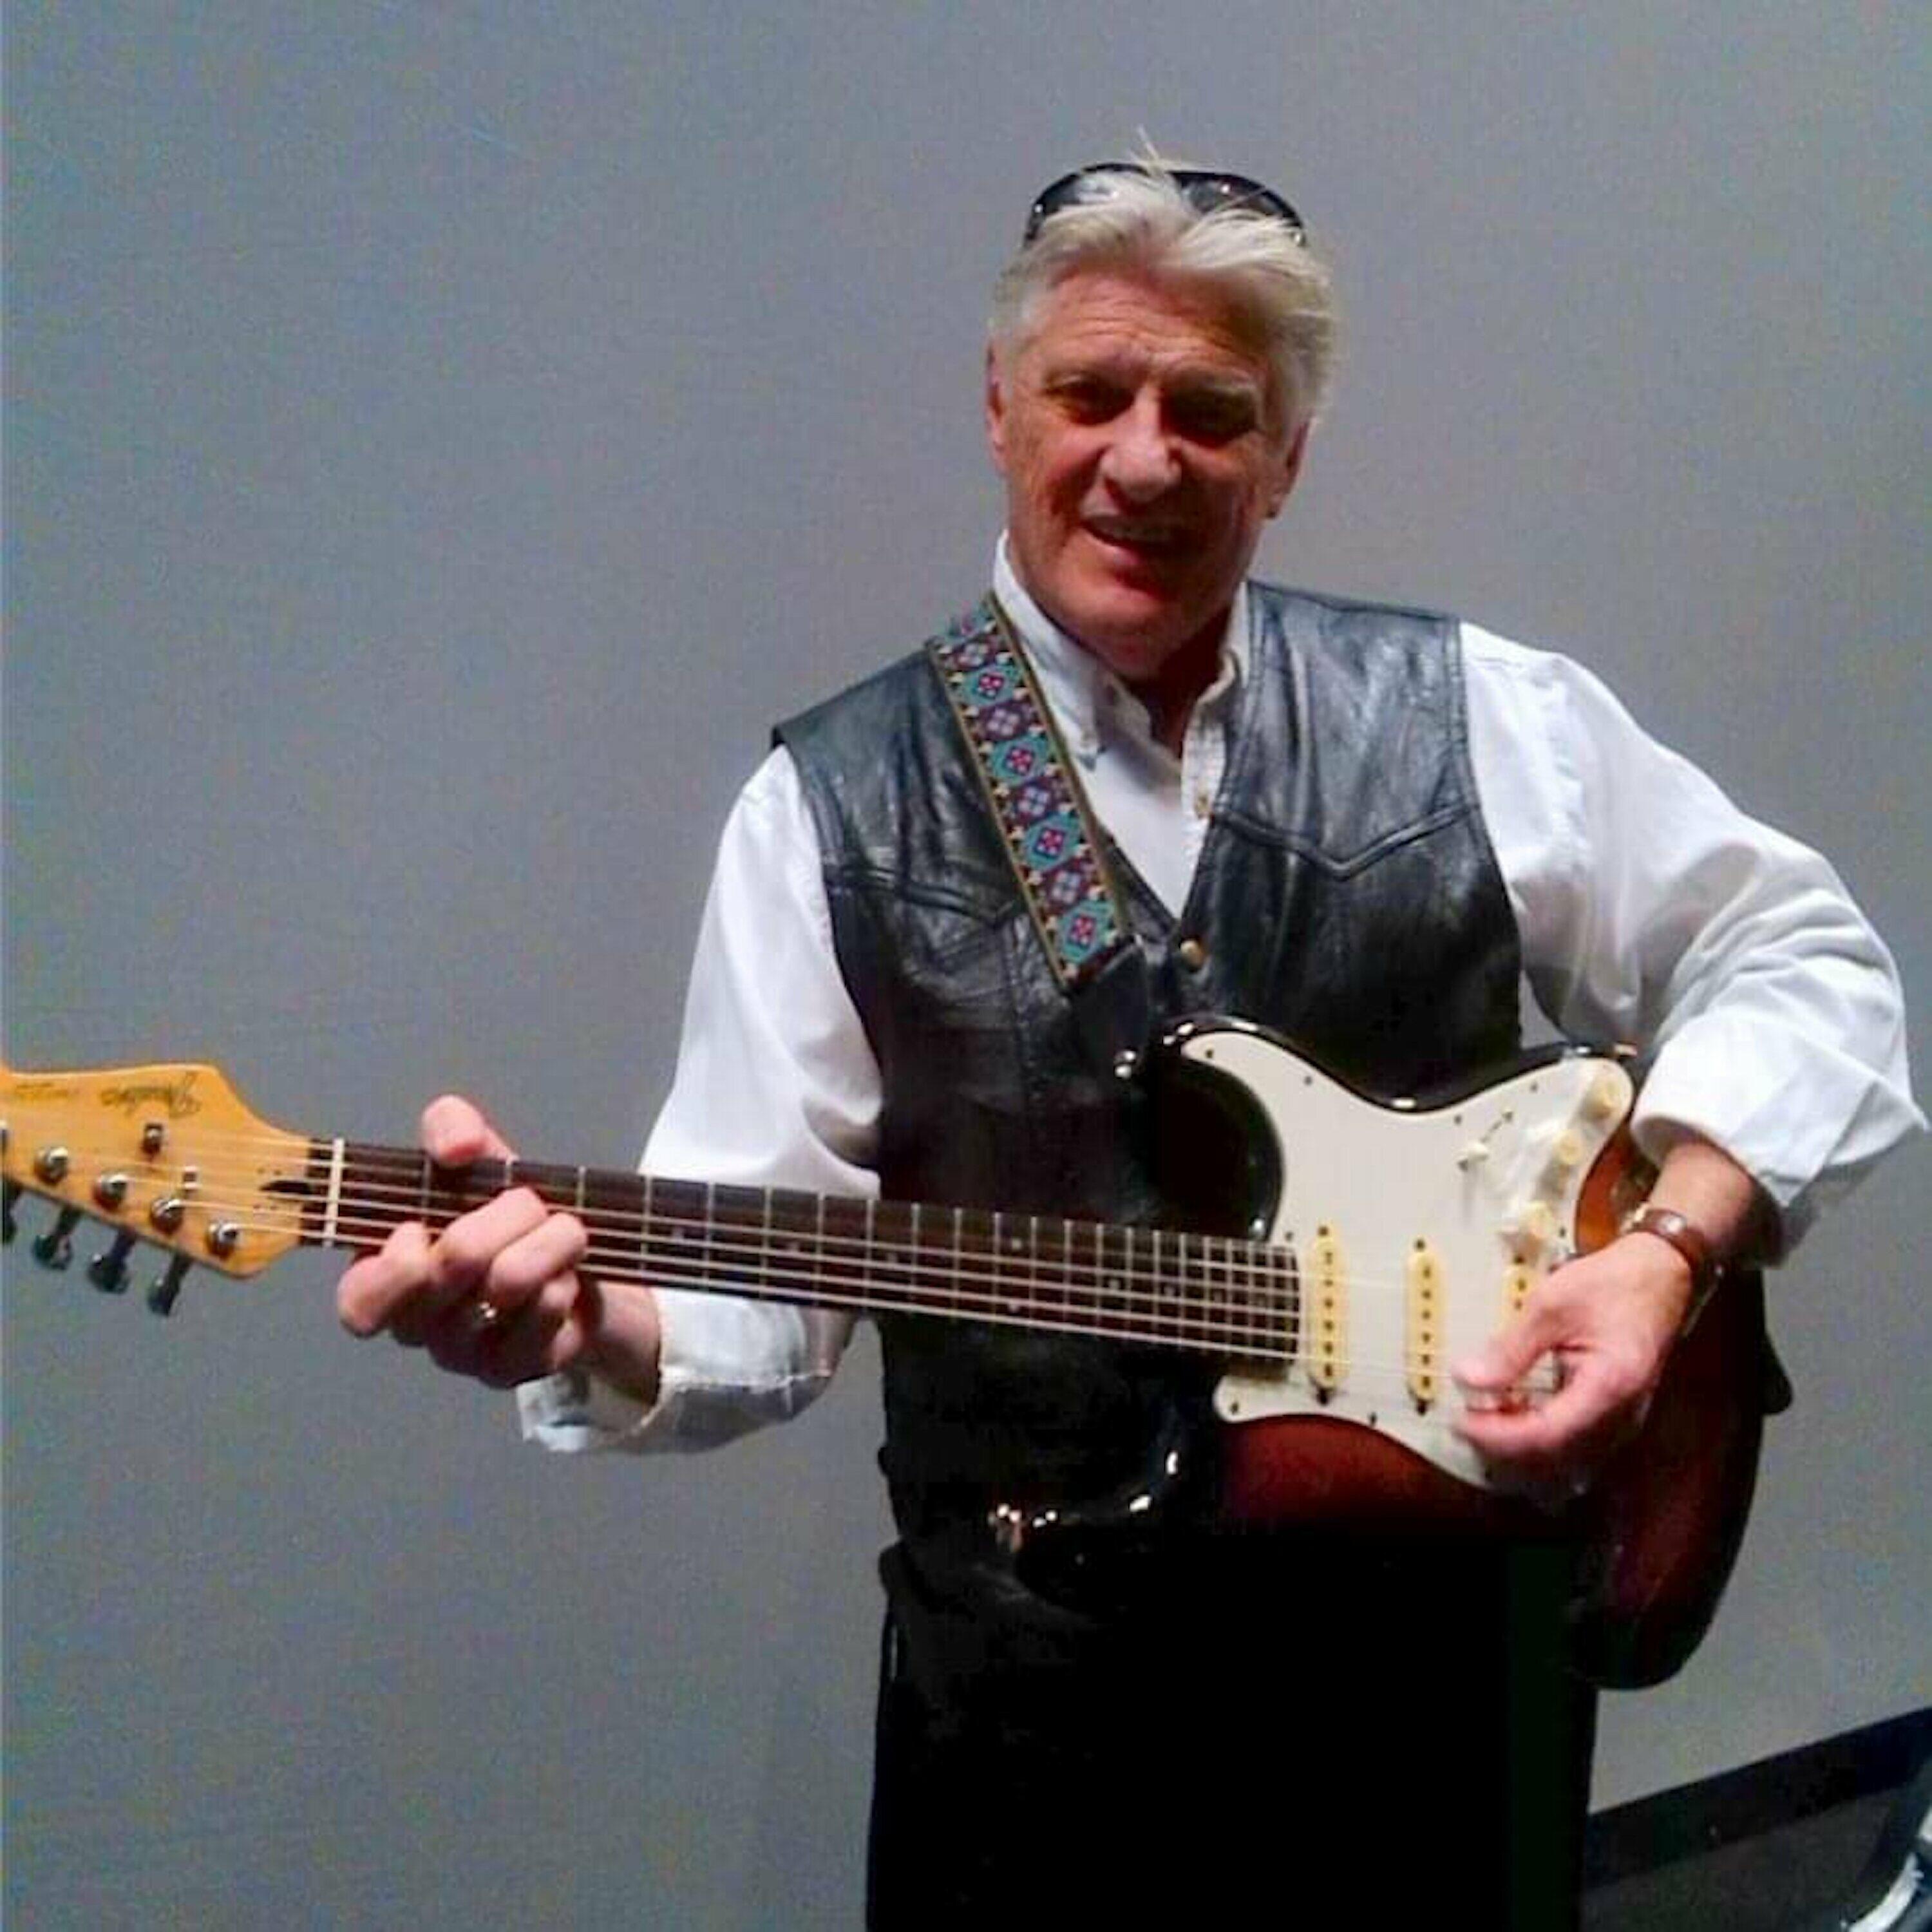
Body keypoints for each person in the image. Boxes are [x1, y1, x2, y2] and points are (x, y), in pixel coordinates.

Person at [336, 160, 1922, 1926]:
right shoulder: (831, 810)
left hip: (1448, 1707)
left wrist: (1669, 1251)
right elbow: (749, 1290)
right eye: (1090, 393)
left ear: (1288, 455)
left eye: (1210, 413)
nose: (1145, 461)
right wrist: (593, 1325)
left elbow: (1803, 962)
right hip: (1036, 1754)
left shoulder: (1482, 714)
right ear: (1000, 408)